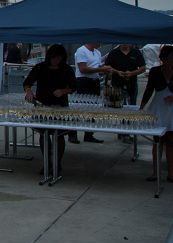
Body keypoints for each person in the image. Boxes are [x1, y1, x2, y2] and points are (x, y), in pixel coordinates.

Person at [140, 45, 173, 184]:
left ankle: (171, 173)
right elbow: (149, 89)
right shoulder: (155, 71)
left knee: (171, 142)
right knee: (158, 141)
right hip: (158, 107)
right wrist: (142, 106)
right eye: (172, 58)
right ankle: (155, 172)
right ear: (164, 58)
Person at [23, 44, 75, 173]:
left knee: (59, 134)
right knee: (44, 134)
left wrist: (63, 91)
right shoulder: (40, 67)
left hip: (60, 106)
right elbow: (27, 82)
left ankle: (57, 163)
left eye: (59, 58)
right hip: (42, 105)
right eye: (54, 58)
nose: (56, 60)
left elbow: (74, 87)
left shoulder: (66, 69)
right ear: (49, 57)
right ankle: (46, 162)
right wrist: (29, 91)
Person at [73, 43, 113, 143]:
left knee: (93, 109)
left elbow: (96, 67)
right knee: (80, 108)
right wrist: (100, 69)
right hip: (83, 81)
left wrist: (104, 69)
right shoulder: (81, 50)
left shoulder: (97, 52)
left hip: (94, 81)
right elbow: (83, 69)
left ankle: (89, 134)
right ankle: (73, 134)